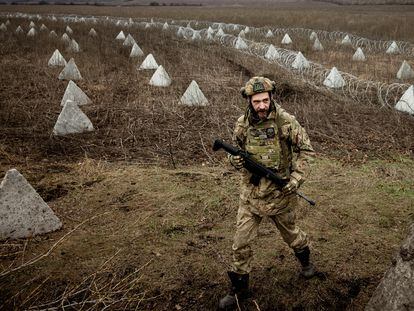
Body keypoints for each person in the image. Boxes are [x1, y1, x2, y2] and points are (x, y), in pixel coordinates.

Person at [219, 77, 316, 309]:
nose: (261, 106)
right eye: (256, 102)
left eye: (265, 100)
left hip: (280, 195)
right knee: (240, 243)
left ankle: (307, 264)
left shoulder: (286, 122)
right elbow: (234, 151)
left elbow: (307, 151)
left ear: (271, 98)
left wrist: (296, 179)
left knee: (292, 235)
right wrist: (234, 160)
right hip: (251, 196)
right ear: (249, 102)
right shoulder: (242, 124)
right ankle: (239, 288)